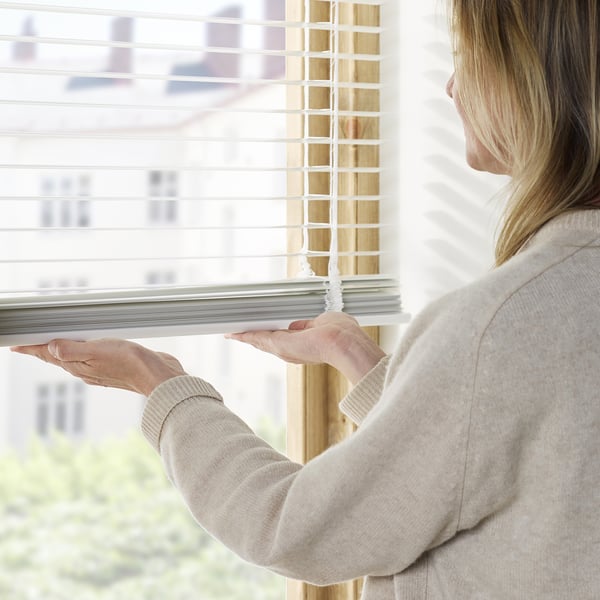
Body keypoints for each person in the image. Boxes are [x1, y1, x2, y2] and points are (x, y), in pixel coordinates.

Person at [11, 0, 600, 598]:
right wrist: (356, 357)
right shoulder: (552, 309)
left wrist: (159, 382)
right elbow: (495, 454)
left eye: (467, 56)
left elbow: (296, 529)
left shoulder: (496, 326)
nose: (451, 85)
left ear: (536, 77)